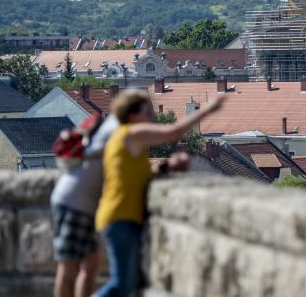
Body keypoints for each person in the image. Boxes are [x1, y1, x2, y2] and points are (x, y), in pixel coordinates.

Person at [94, 89, 223, 297]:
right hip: (121, 216)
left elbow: (136, 176)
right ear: (132, 113)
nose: (150, 116)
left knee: (129, 284)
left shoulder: (121, 139)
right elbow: (173, 133)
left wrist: (167, 167)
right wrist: (208, 109)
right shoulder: (132, 133)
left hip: (120, 216)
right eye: (147, 111)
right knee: (122, 284)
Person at [51, 113, 119, 297]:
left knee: (91, 264)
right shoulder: (114, 130)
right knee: (68, 267)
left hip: (82, 205)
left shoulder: (109, 128)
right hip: (72, 203)